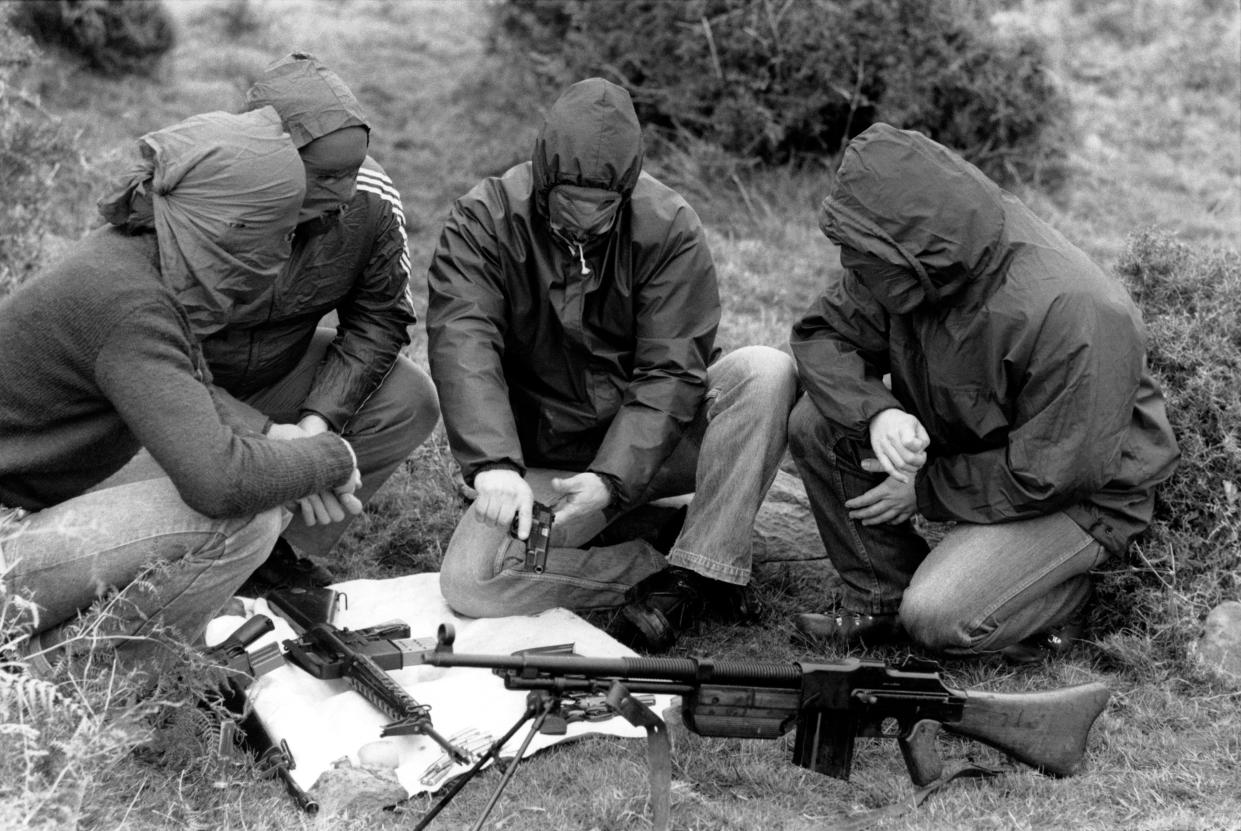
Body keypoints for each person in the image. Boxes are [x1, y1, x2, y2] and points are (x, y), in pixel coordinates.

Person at [427, 78, 797, 652]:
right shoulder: (483, 221)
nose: (581, 224)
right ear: (542, 178)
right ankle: (668, 567)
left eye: (600, 212)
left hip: (661, 445)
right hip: (551, 460)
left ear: (625, 192)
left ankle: (702, 570)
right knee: (472, 582)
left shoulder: (669, 226)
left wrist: (612, 479)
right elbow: (462, 341)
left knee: (766, 371)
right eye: (567, 207)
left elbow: (671, 371)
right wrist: (494, 465)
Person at [787, 123, 1180, 662]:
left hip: (1083, 496)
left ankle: (1069, 599)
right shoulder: (902, 248)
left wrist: (923, 491)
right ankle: (880, 598)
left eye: (861, 258)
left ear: (911, 250)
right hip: (975, 442)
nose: (849, 270)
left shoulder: (1074, 311)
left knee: (937, 616)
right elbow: (823, 334)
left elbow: (1055, 472)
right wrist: (878, 414)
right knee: (817, 421)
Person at [0, 108, 362, 672]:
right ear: (232, 227)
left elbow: (185, 386)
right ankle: (64, 679)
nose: (284, 253)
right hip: (6, 543)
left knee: (255, 472)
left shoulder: (136, 253)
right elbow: (217, 484)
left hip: (21, 506)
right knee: (246, 514)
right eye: (283, 232)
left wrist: (276, 438)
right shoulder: (132, 303)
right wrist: (329, 457)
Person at [204, 51, 437, 588]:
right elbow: (149, 352)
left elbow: (378, 322)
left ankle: (279, 550)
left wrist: (316, 427)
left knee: (408, 398)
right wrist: (262, 433)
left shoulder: (371, 202)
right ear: (272, 160)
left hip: (276, 378)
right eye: (329, 175)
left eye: (355, 170)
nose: (348, 190)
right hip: (179, 393)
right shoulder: (206, 197)